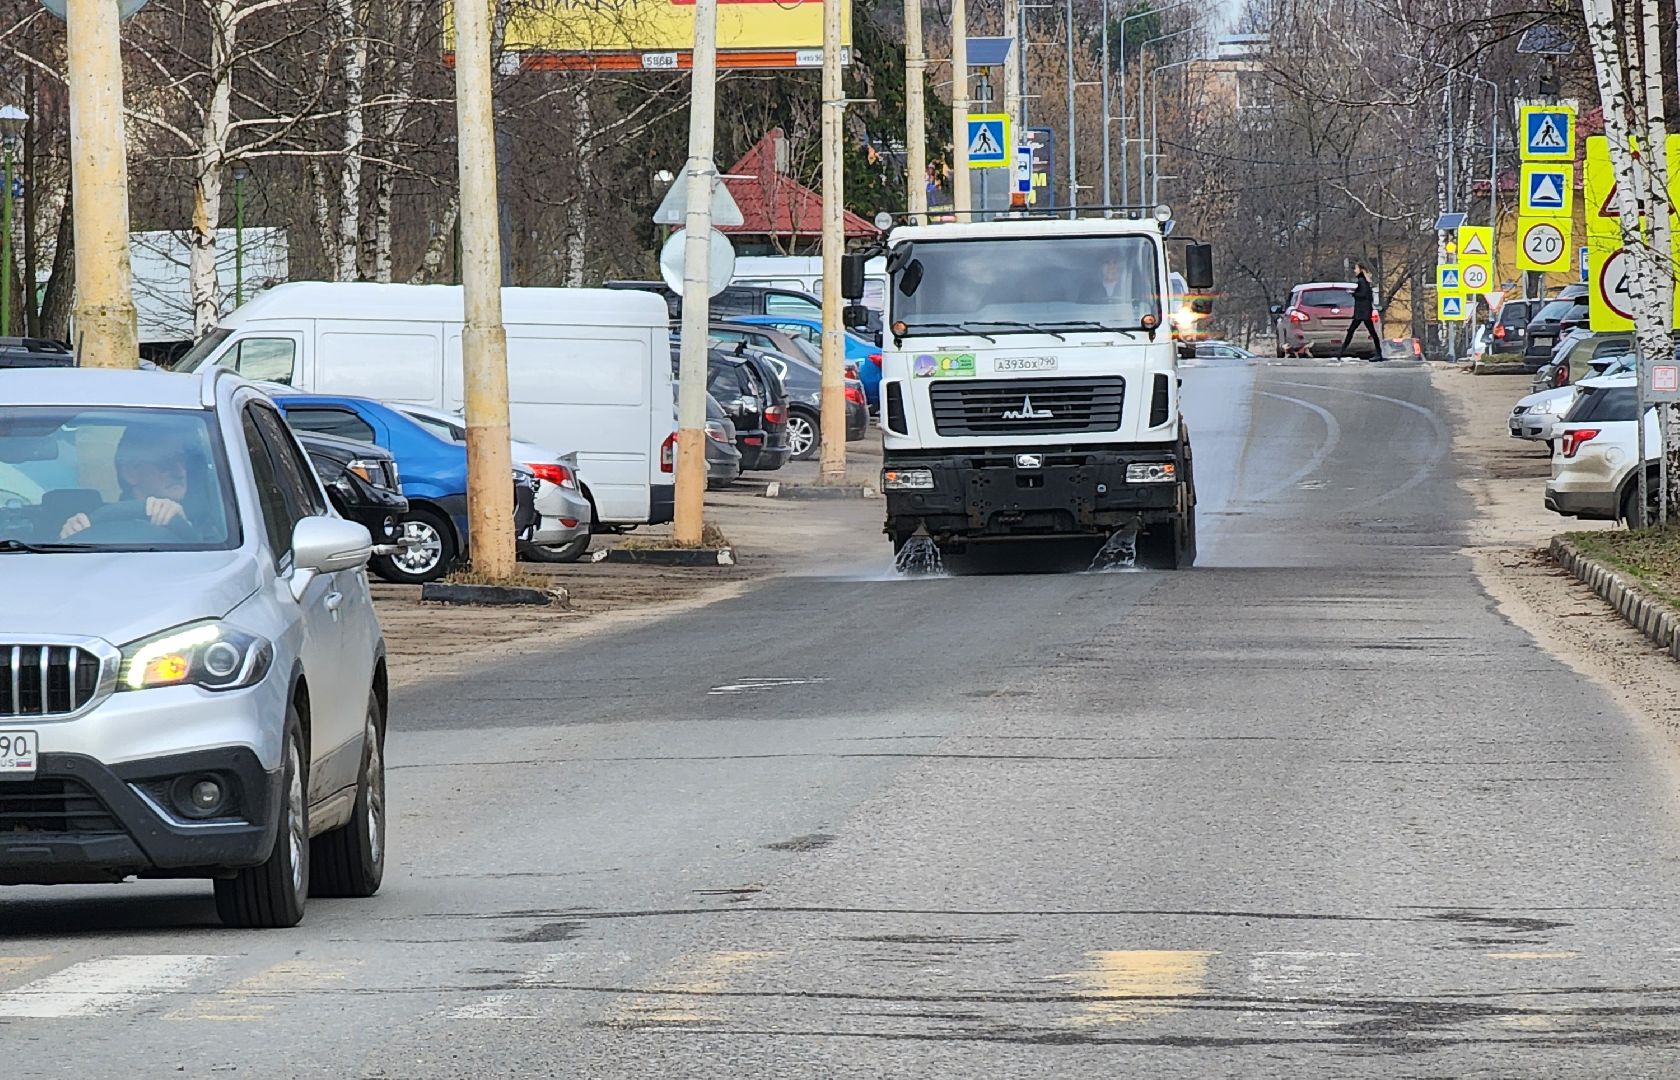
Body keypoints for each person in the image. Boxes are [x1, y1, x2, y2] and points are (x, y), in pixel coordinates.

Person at [60, 426, 201, 540]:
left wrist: (184, 524)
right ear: (131, 473)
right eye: (167, 462)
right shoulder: (98, 526)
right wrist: (72, 536)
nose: (180, 472)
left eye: (182, 460)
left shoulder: (218, 524)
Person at [1338, 264, 1382, 361]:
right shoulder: (1365, 281)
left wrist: (1353, 293)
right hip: (1364, 311)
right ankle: (1379, 353)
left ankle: (1341, 353)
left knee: (1352, 331)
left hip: (1362, 312)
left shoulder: (1362, 281)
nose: (1354, 270)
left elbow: (1362, 294)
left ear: (1361, 270)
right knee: (1369, 332)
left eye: (1356, 268)